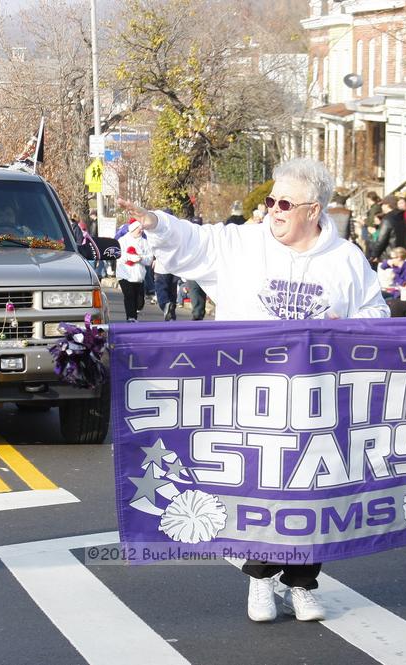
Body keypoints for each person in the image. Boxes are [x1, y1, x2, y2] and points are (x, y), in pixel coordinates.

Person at [117, 157, 389, 623]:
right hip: (253, 403)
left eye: (284, 203)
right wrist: (156, 223)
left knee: (312, 495)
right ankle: (260, 580)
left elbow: (377, 314)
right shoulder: (243, 243)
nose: (273, 211)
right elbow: (194, 242)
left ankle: (302, 584)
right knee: (259, 490)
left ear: (314, 209)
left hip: (316, 406)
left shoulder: (346, 260)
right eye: (270, 201)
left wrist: (351, 327)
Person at [116, 221, 152, 321]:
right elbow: (119, 255)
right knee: (129, 296)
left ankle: (135, 312)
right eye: (138, 229)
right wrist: (131, 257)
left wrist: (141, 259)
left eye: (141, 229)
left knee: (139, 302)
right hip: (125, 274)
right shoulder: (123, 241)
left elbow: (149, 259)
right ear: (132, 229)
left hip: (139, 276)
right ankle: (131, 317)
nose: (140, 230)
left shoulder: (144, 242)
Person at [368, 196, 406, 262]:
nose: (382, 207)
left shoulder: (387, 219)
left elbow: (381, 240)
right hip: (402, 256)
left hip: (389, 258)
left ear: (388, 205)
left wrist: (374, 255)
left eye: (383, 205)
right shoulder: (402, 217)